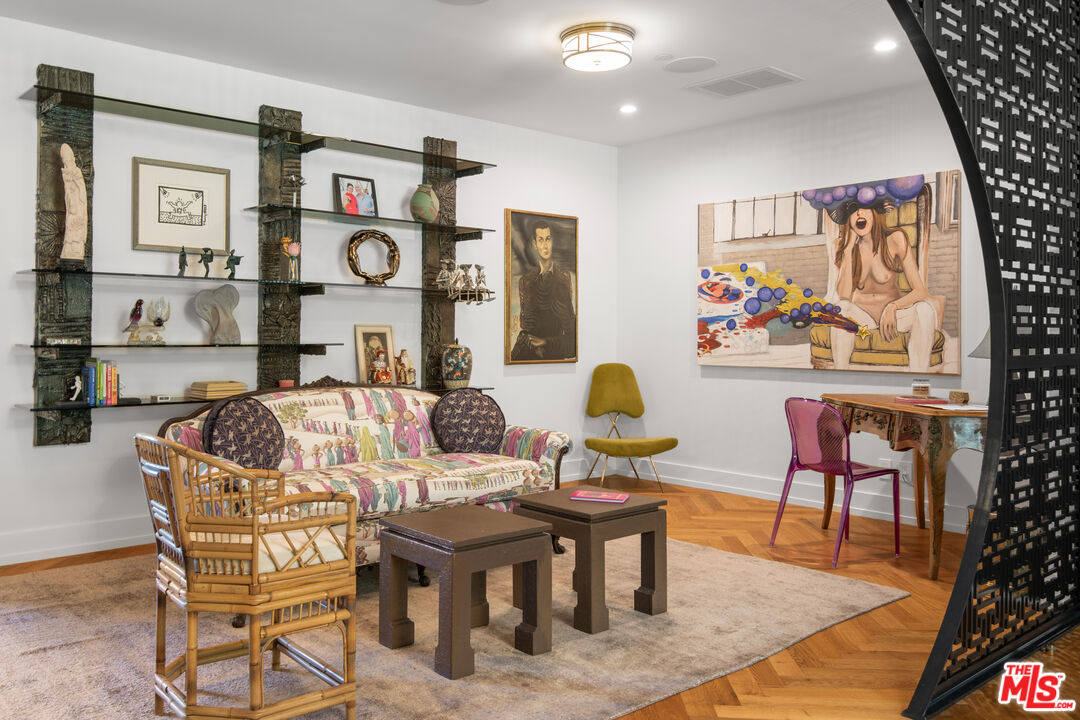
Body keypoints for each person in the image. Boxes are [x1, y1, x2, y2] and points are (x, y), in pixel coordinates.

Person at [829, 204, 938, 371]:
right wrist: (848, 249)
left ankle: (918, 375)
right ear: (848, 220)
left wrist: (893, 306)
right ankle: (840, 375)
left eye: (864, 207)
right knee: (841, 308)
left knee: (925, 309)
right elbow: (843, 294)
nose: (859, 213)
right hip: (863, 318)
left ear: (875, 212)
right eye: (852, 210)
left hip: (894, 319)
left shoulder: (895, 239)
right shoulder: (841, 246)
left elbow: (920, 291)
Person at [510, 220, 576, 361]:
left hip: (553, 352)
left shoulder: (563, 278)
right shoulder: (526, 281)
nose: (545, 246)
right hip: (529, 350)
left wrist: (545, 342)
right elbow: (526, 326)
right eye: (541, 240)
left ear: (552, 241)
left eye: (548, 239)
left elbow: (572, 336)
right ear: (535, 244)